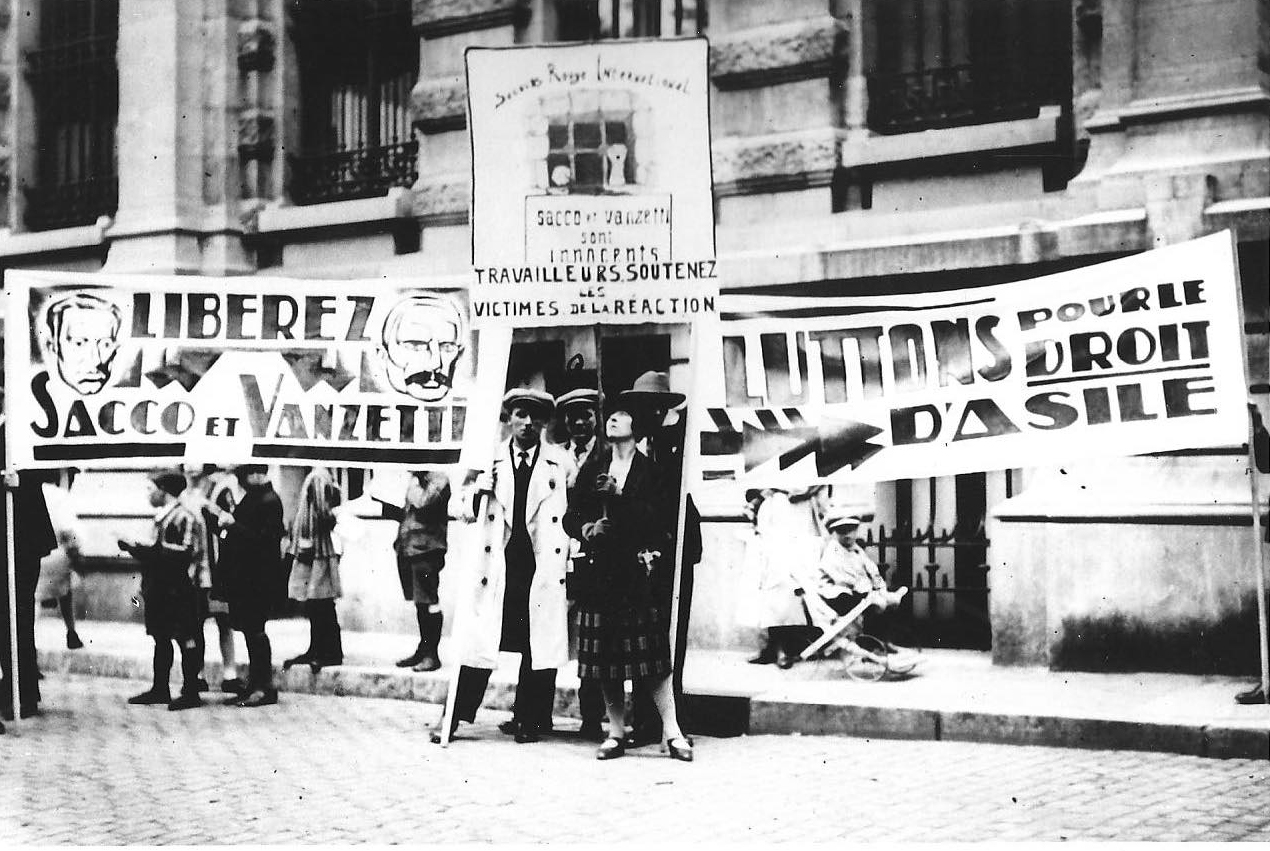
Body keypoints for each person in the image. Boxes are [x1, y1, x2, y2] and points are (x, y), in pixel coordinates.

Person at [431, 388, 575, 744]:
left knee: (536, 643)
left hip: (538, 563)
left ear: (544, 423)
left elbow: (572, 514)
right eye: (521, 414)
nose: (527, 423)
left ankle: (529, 718)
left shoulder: (560, 462)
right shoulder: (487, 459)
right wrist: (477, 492)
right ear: (509, 418)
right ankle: (454, 715)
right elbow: (457, 507)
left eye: (535, 417)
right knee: (478, 641)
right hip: (496, 563)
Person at [565, 399, 694, 761]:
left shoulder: (651, 471)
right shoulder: (593, 469)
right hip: (600, 575)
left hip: (635, 576)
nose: (613, 420)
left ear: (637, 426)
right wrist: (587, 528)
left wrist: (619, 497)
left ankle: (673, 732)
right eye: (611, 415)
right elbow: (570, 516)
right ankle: (616, 732)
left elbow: (657, 520)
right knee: (606, 661)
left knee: (653, 661)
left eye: (621, 416)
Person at [618, 370, 702, 747]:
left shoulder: (679, 442)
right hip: (639, 556)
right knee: (642, 641)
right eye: (641, 406)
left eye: (655, 406)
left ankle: (673, 723)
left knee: (672, 640)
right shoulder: (626, 448)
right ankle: (644, 723)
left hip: (676, 550)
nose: (648, 413)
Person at [117, 470, 206, 711]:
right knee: (161, 637)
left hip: (177, 588)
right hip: (159, 587)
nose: (149, 494)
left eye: (151, 489)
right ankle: (160, 688)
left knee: (185, 638)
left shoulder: (184, 517)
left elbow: (187, 552)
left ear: (164, 490)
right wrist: (136, 548)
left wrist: (147, 549)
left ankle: (191, 690)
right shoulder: (162, 517)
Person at [0, 411, 58, 726]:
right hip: (6, 538)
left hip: (21, 540)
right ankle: (12, 688)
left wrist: (19, 480)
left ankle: (22, 693)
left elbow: (47, 467)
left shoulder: (20, 428)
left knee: (17, 617)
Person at [556, 385, 607, 741]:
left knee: (592, 640)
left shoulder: (606, 456)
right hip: (554, 554)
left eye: (585, 415)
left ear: (596, 418)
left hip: (590, 557)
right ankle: (533, 713)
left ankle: (591, 718)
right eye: (572, 417)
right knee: (546, 632)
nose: (579, 423)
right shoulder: (556, 455)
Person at [218, 464, 285, 708]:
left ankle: (264, 687)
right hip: (247, 578)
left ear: (257, 474)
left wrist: (232, 525)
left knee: (256, 631)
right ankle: (254, 684)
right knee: (249, 630)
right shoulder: (255, 497)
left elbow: (264, 541)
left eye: (243, 477)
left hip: (259, 578)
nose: (241, 483)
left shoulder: (269, 501)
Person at [742, 486, 828, 668]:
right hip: (773, 518)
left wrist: (797, 489)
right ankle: (773, 647)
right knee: (771, 585)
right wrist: (761, 495)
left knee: (796, 586)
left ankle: (790, 648)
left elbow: (810, 485)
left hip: (799, 518)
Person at [182, 466, 245, 695]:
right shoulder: (182, 494)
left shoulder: (219, 488)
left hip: (217, 567)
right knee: (194, 622)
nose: (191, 466)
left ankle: (230, 673)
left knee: (223, 620)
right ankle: (197, 673)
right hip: (193, 571)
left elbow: (228, 521)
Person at [283, 468, 345, 672]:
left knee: (321, 602)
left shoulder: (318, 477)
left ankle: (328, 652)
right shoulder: (320, 477)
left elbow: (323, 513)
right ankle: (318, 649)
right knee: (318, 602)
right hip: (314, 549)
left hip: (318, 549)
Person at [389, 470, 451, 672]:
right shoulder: (416, 479)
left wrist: (412, 483)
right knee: (420, 603)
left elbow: (424, 503)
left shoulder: (439, 479)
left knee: (429, 601)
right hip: (409, 548)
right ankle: (423, 650)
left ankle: (432, 655)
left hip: (427, 550)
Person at [815, 508, 908, 619]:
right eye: (842, 531)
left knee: (882, 602)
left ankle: (888, 599)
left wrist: (881, 588)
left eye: (851, 530)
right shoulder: (833, 550)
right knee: (849, 597)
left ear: (856, 530)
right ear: (835, 531)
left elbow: (873, 572)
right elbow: (842, 578)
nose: (847, 535)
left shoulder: (857, 550)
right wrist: (867, 591)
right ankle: (876, 603)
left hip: (860, 591)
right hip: (838, 592)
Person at [36, 474, 87, 651]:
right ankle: (71, 631)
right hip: (57, 553)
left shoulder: (31, 491)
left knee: (33, 597)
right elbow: (67, 529)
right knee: (65, 592)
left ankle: (30, 643)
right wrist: (76, 552)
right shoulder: (59, 495)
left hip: (35, 551)